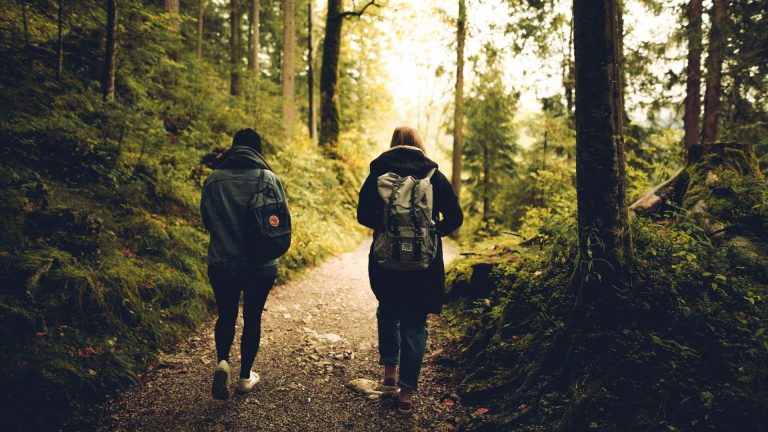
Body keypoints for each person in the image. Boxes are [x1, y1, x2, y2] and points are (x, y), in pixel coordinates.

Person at [357, 126, 463, 413]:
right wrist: (433, 231)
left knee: (387, 311)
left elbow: (362, 215)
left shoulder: (378, 174)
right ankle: (406, 396)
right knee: (415, 323)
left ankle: (389, 375)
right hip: (423, 265)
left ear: (393, 144)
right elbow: (455, 217)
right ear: (419, 144)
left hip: (386, 262)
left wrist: (386, 226)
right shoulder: (433, 175)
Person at [200, 128, 287, 400]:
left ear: (233, 147)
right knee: (252, 317)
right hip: (260, 265)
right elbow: (281, 220)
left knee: (226, 314)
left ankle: (223, 361)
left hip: (221, 262)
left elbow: (207, 220)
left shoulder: (213, 179)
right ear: (257, 150)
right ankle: (245, 376)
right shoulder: (268, 178)